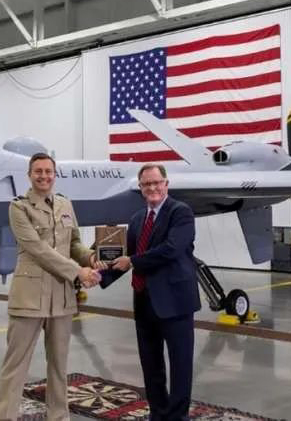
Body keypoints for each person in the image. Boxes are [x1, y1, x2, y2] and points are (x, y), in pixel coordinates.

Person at [0, 152, 102, 421]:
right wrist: (79, 272)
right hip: (29, 298)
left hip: (61, 297)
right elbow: (38, 249)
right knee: (16, 366)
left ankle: (59, 416)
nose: (44, 176)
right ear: (29, 175)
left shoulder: (65, 204)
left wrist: (90, 258)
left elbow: (73, 243)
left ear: (54, 174)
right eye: (38, 171)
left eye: (48, 171)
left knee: (59, 365)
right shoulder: (19, 207)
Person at [101, 163, 200, 421]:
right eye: (146, 184)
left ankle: (177, 417)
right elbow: (123, 256)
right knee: (151, 365)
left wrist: (132, 261)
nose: (152, 188)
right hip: (144, 301)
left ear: (166, 184)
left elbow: (171, 249)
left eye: (157, 183)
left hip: (175, 303)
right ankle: (158, 414)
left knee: (180, 366)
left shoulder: (181, 212)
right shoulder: (137, 219)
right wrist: (97, 274)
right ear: (140, 188)